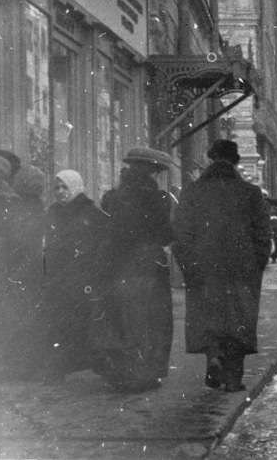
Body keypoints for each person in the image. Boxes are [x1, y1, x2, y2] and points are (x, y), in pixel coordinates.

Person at [172, 140, 270, 393]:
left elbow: (181, 235)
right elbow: (262, 235)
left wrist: (188, 266)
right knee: (238, 320)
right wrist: (257, 263)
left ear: (210, 159)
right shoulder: (250, 192)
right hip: (242, 269)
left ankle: (213, 358)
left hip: (203, 267)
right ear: (236, 161)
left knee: (209, 318)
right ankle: (233, 379)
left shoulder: (192, 191)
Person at [96, 147, 175, 392]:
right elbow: (166, 234)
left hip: (117, 265)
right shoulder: (159, 199)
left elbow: (107, 231)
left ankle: (120, 372)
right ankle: (144, 373)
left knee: (120, 318)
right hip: (147, 265)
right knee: (150, 320)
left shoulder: (111, 197)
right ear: (151, 171)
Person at [42, 170, 113, 383]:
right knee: (60, 325)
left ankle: (97, 362)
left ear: (75, 187)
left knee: (88, 322)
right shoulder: (52, 213)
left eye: (65, 187)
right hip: (59, 278)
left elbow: (104, 244)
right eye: (57, 187)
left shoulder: (91, 213)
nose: (60, 192)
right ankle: (59, 368)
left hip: (84, 278)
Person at [0, 162, 45, 379]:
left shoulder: (17, 208)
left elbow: (14, 240)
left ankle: (17, 366)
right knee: (29, 317)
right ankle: (29, 365)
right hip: (33, 268)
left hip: (17, 268)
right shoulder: (39, 207)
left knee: (15, 317)